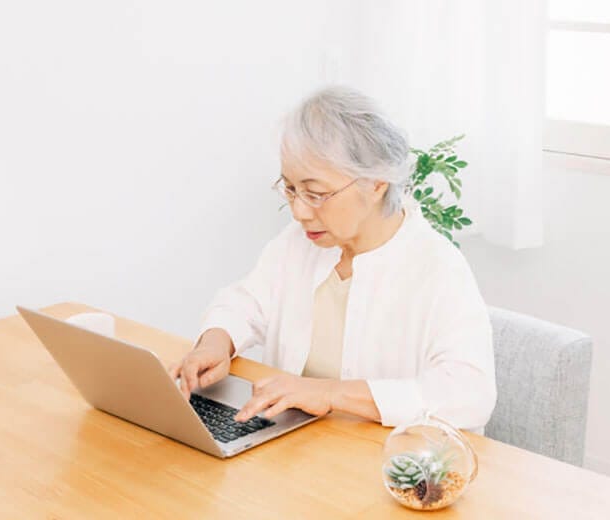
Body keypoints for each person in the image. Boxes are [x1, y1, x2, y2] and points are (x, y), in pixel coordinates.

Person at [168, 86, 496, 434]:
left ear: (377, 183)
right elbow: (245, 303)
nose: (299, 211)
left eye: (316, 194)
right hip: (293, 445)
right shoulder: (299, 244)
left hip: (381, 456)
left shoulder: (436, 267)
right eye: (290, 189)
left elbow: (469, 394)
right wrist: (216, 342)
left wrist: (329, 393)